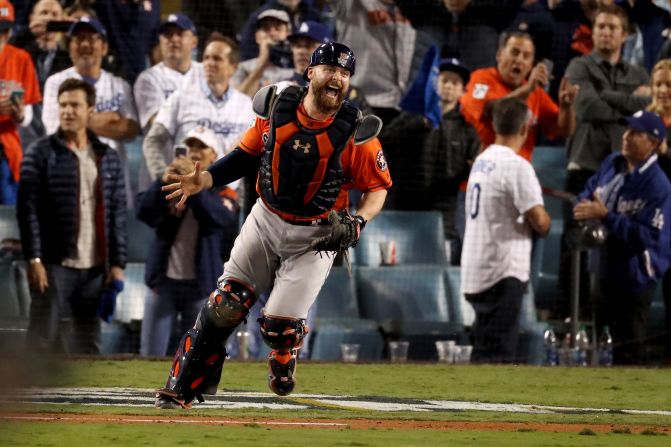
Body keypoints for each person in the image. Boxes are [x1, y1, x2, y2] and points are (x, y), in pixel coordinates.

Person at [154, 42, 391, 408]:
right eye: (330, 69)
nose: (337, 78)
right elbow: (243, 157)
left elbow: (377, 188)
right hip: (266, 218)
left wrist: (359, 220)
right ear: (311, 72)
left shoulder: (357, 132)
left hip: (317, 234)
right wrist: (203, 181)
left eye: (345, 74)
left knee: (278, 327)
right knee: (225, 304)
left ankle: (284, 353)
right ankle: (181, 387)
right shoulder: (276, 108)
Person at [17, 78, 126, 354]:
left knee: (89, 346)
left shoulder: (107, 157)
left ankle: (86, 398)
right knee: (41, 341)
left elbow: (117, 214)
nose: (67, 111)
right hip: (54, 265)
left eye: (75, 105)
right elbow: (26, 211)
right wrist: (35, 259)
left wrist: (117, 264)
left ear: (90, 110)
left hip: (94, 269)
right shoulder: (39, 153)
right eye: (63, 105)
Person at [573, 110, 671, 365]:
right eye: (627, 130)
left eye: (635, 133)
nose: (626, 136)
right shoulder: (612, 162)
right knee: (600, 344)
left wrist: (606, 216)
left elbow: (646, 237)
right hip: (601, 267)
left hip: (634, 277)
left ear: (652, 143)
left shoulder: (658, 185)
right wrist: (583, 207)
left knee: (627, 348)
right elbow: (588, 191)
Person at [461, 98, 551, 364]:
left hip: (477, 269)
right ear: (525, 129)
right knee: (497, 356)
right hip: (503, 271)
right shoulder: (517, 166)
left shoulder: (481, 159)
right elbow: (540, 222)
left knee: (484, 350)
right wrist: (546, 219)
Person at [138, 126, 238, 357]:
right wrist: (161, 181)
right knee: (149, 356)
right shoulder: (171, 182)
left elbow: (219, 218)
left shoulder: (225, 191)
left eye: (201, 147)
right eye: (190, 146)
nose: (194, 152)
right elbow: (144, 212)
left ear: (214, 154)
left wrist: (195, 189)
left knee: (194, 357)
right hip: (163, 284)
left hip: (200, 287)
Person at [41, 17, 140, 207]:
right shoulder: (55, 83)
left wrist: (81, 120)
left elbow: (131, 130)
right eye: (78, 40)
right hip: (70, 176)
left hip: (112, 179)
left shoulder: (120, 85)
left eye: (92, 39)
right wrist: (110, 119)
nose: (85, 44)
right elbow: (57, 128)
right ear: (70, 48)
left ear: (103, 47)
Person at [142, 33, 254, 183]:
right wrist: (162, 173)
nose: (209, 63)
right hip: (186, 189)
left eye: (217, 58)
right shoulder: (181, 98)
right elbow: (153, 140)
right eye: (206, 58)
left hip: (227, 195)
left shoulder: (246, 105)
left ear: (233, 68)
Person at [460, 31, 579, 163]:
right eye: (514, 52)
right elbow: (492, 110)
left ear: (531, 65)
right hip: (482, 170)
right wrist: (527, 89)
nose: (519, 60)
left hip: (517, 173)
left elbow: (564, 130)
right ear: (499, 55)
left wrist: (566, 107)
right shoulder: (481, 79)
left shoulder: (537, 94)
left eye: (526, 56)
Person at [0, 0, 42, 205]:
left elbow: (28, 115)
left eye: (4, 31)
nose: (2, 37)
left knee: (9, 216)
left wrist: (20, 114)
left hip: (8, 148)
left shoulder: (21, 58)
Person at [647, 59, 671, 364]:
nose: (664, 90)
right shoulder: (643, 122)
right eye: (659, 85)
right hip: (647, 222)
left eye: (669, 85)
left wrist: (665, 151)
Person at [231, 9, 293, 98]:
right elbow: (234, 102)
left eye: (278, 28)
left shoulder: (298, 67)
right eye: (266, 28)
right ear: (257, 36)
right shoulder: (243, 67)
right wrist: (261, 66)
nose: (272, 33)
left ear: (288, 34)